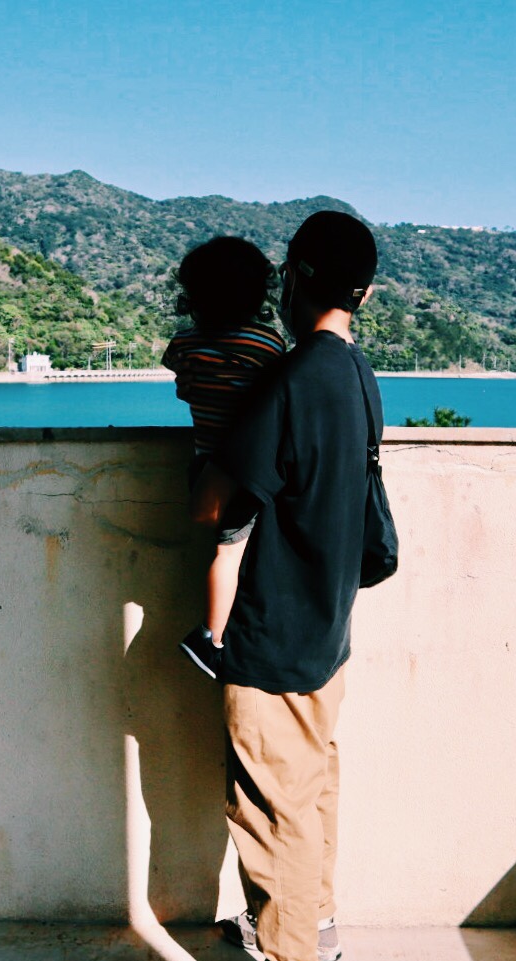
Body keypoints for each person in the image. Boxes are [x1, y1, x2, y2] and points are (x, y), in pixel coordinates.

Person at [185, 210, 383, 961]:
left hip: (274, 630)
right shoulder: (358, 373)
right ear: (364, 293)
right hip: (328, 626)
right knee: (311, 789)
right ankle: (314, 926)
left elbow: (216, 507)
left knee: (271, 808)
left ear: (295, 274)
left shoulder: (292, 380)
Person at [158, 237, 288, 678]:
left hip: (203, 466)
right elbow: (276, 400)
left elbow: (184, 389)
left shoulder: (184, 344)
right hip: (242, 469)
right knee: (229, 553)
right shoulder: (267, 344)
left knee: (227, 547)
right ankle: (209, 638)